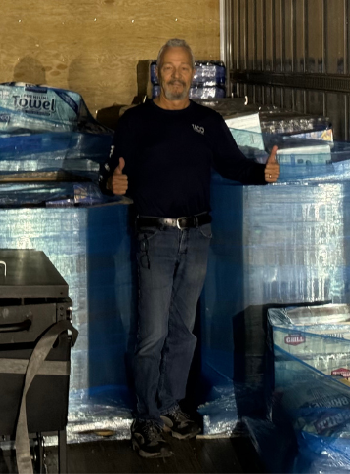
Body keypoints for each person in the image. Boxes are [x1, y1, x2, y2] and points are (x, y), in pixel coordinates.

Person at [104, 38, 280, 458]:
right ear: (156, 72)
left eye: (184, 68)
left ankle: (169, 406)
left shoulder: (208, 122)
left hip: (198, 235)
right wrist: (111, 183)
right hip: (155, 236)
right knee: (152, 333)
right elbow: (111, 171)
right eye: (169, 67)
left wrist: (263, 173)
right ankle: (146, 419)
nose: (176, 75)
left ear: (193, 75)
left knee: (184, 331)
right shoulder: (135, 122)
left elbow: (233, 164)